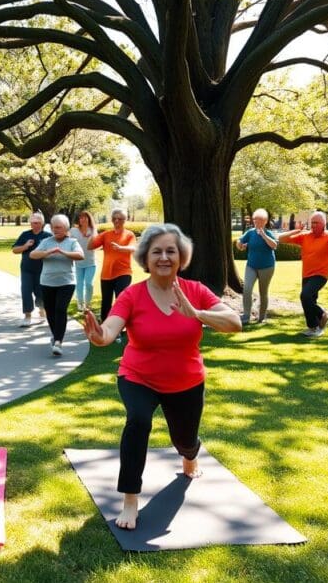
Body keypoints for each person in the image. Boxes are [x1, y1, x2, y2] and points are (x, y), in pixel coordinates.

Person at [83, 224, 241, 530]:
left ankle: (190, 454)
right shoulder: (132, 295)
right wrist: (99, 336)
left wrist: (197, 314)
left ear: (181, 257)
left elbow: (234, 323)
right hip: (138, 375)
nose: (164, 257)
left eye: (171, 251)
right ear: (146, 258)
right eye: (157, 251)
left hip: (185, 381)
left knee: (184, 439)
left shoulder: (195, 291)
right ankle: (130, 498)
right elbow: (110, 330)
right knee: (138, 421)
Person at [277, 211, 328, 337]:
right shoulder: (304, 236)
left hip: (320, 275)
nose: (313, 225)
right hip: (306, 275)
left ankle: (316, 323)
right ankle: (317, 324)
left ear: (323, 224)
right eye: (312, 223)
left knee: (305, 296)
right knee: (309, 301)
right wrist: (296, 231)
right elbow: (281, 239)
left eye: (316, 223)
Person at [30, 214, 84, 355]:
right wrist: (48, 252)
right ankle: (56, 336)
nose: (56, 230)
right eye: (54, 227)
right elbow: (33, 255)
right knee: (51, 311)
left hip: (66, 282)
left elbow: (80, 255)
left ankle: (59, 341)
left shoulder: (72, 242)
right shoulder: (46, 241)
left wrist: (63, 252)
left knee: (60, 309)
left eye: (59, 227)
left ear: (66, 228)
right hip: (47, 282)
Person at [89, 208, 136, 323]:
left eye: (120, 219)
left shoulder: (129, 235)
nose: (116, 221)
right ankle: (105, 327)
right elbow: (90, 246)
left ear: (125, 220)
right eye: (114, 219)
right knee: (106, 302)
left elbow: (133, 248)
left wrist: (121, 248)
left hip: (123, 272)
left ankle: (121, 324)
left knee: (121, 299)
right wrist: (91, 232)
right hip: (106, 274)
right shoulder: (106, 234)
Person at [236, 208, 277, 323]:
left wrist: (264, 235)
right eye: (254, 220)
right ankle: (246, 316)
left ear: (264, 221)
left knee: (263, 292)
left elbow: (274, 246)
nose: (256, 222)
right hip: (251, 266)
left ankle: (262, 317)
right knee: (247, 289)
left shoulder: (268, 233)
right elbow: (239, 242)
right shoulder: (250, 232)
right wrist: (240, 245)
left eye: (258, 220)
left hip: (267, 267)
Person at [12, 212, 51, 327]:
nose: (36, 225)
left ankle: (42, 309)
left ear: (42, 223)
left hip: (42, 269)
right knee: (26, 291)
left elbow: (52, 252)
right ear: (30, 223)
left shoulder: (47, 236)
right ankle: (27, 315)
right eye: (33, 223)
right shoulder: (25, 235)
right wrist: (25, 246)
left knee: (41, 292)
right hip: (26, 269)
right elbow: (14, 250)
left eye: (38, 223)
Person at [69, 210, 97, 311]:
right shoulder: (73, 231)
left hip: (91, 262)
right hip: (78, 263)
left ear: (89, 219)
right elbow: (69, 243)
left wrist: (92, 239)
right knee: (79, 284)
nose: (83, 219)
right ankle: (80, 303)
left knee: (89, 283)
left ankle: (88, 303)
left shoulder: (93, 230)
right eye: (81, 218)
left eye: (85, 217)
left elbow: (96, 244)